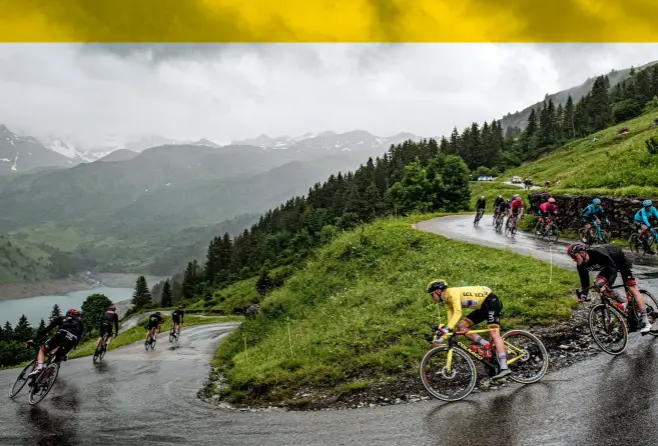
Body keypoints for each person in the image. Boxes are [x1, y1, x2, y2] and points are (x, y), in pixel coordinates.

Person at [567, 242, 657, 334]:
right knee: (598, 285)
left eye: (574, 257)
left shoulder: (597, 253)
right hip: (609, 266)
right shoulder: (581, 266)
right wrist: (583, 296)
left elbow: (613, 270)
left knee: (632, 288)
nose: (573, 260)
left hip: (621, 262)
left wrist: (607, 285)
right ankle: (624, 302)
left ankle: (646, 322)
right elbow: (584, 282)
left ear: (582, 253)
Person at [427, 280, 510, 380]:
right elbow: (451, 324)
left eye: (432, 295)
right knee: (462, 326)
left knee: (494, 333)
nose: (432, 298)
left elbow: (458, 313)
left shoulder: (453, 293)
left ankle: (504, 368)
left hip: (491, 302)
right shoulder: (447, 301)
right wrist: (442, 337)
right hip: (483, 306)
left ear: (438, 292)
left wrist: (446, 329)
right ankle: (486, 345)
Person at [28, 309, 84, 378]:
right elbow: (78, 338)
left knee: (43, 349)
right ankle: (43, 381)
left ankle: (39, 367)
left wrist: (35, 339)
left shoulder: (62, 318)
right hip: (70, 343)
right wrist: (73, 347)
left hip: (60, 336)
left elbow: (48, 328)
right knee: (56, 361)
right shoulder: (80, 324)